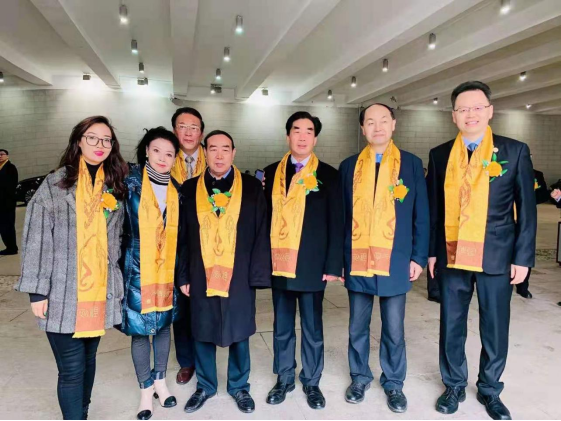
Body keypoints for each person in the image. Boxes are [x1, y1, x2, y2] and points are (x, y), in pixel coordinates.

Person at [427, 81, 537, 421]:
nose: (470, 114)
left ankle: (490, 389)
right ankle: (454, 385)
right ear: (453, 116)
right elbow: (434, 209)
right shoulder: (440, 154)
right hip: (452, 253)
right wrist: (432, 252)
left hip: (497, 255)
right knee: (451, 323)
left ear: (489, 111)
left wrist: (523, 258)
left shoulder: (514, 151)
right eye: (463, 109)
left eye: (477, 107)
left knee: (495, 325)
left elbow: (527, 209)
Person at [15, 116, 128, 421]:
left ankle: (83, 412)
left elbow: (116, 241)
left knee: (89, 360)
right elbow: (36, 239)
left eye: (106, 140)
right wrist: (37, 292)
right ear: (79, 141)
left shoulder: (113, 187)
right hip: (62, 291)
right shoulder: (55, 185)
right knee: (71, 369)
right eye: (92, 137)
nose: (100, 144)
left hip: (98, 290)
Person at [340, 104, 430, 414]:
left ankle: (393, 382)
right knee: (357, 326)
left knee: (393, 328)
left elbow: (421, 214)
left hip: (395, 259)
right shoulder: (349, 166)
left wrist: (418, 256)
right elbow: (341, 217)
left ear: (393, 124)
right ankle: (359, 377)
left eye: (383, 121)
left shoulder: (411, 164)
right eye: (370, 122)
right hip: (357, 258)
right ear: (362, 128)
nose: (377, 127)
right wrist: (338, 260)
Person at [176, 130, 271, 414]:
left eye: (225, 149)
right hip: (200, 270)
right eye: (213, 149)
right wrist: (183, 275)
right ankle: (205, 386)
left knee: (239, 330)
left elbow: (262, 232)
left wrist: (256, 276)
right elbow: (181, 237)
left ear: (234, 152)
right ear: (204, 152)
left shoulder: (252, 188)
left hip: (239, 272)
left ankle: (239, 386)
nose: (219, 155)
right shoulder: (190, 189)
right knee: (202, 329)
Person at [263, 112, 344, 410]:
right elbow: (263, 219)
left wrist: (333, 265)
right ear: (288, 136)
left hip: (312, 265)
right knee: (282, 326)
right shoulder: (271, 173)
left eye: (308, 131)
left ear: (315, 138)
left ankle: (311, 380)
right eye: (296, 130)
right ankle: (284, 378)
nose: (302, 136)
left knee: (312, 328)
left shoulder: (329, 175)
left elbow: (337, 221)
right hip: (280, 262)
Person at [120, 128, 183, 420]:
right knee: (139, 331)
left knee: (163, 326)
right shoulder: (128, 184)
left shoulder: (177, 190)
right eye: (156, 150)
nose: (162, 158)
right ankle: (145, 390)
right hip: (136, 266)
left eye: (169, 154)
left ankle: (160, 381)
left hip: (167, 268)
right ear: (146, 151)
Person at [170, 107, 206, 386]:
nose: (189, 132)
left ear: (201, 133)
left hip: (205, 242)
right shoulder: (164, 159)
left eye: (194, 127)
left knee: (204, 301)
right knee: (180, 304)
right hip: (172, 243)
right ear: (175, 131)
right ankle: (186, 361)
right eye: (183, 126)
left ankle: (205, 355)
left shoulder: (214, 159)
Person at [515, 163, 550, 299]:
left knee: (525, 249)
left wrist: (530, 197)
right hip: (505, 216)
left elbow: (543, 195)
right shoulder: (503, 169)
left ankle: (523, 286)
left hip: (526, 216)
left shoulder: (537, 174)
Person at [0, 149, 19, 255]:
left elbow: (11, 185)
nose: (0, 156)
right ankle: (9, 247)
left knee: (8, 226)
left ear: (7, 156)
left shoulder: (11, 168)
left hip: (7, 202)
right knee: (2, 226)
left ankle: (12, 248)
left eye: (2, 154)